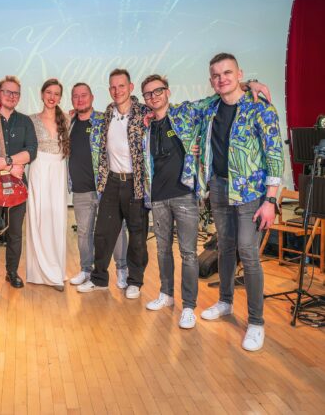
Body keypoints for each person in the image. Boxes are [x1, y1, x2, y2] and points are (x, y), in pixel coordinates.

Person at [198, 53, 283, 351]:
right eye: (216, 75)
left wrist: (270, 200)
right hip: (220, 188)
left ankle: (256, 322)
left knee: (247, 252)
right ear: (211, 80)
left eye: (228, 73)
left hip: (251, 194)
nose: (222, 79)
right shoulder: (210, 108)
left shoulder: (260, 108)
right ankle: (225, 302)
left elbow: (275, 155)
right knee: (224, 246)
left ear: (239, 73)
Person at [77, 69, 150, 299]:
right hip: (111, 181)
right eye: (113, 87)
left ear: (131, 87)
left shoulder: (145, 112)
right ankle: (99, 279)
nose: (117, 91)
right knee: (103, 233)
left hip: (135, 184)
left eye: (121, 86)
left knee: (137, 236)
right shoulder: (108, 113)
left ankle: (135, 281)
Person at [140, 74, 201, 329]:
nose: (153, 96)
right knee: (162, 250)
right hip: (158, 196)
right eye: (148, 94)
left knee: (188, 253)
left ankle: (189, 306)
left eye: (158, 91)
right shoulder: (146, 126)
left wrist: (249, 85)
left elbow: (211, 104)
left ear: (167, 92)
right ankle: (166, 294)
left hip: (184, 193)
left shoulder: (183, 114)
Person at [0, 75, 37, 297]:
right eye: (7, 92)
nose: (11, 96)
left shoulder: (25, 121)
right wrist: (12, 166)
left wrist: (9, 162)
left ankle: (12, 272)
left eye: (15, 93)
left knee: (15, 233)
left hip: (18, 186)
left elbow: (32, 151)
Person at [67, 83, 129, 290]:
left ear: (92, 97)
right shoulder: (69, 123)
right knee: (84, 233)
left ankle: (122, 270)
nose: (80, 99)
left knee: (116, 231)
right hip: (80, 190)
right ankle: (86, 270)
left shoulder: (105, 120)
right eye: (76, 96)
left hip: (106, 188)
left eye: (84, 95)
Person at [26, 78, 69, 291]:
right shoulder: (30, 120)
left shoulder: (67, 119)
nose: (52, 97)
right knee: (38, 218)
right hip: (38, 169)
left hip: (58, 171)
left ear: (60, 97)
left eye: (56, 94)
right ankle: (38, 271)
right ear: (42, 94)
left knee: (56, 220)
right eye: (49, 92)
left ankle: (56, 271)